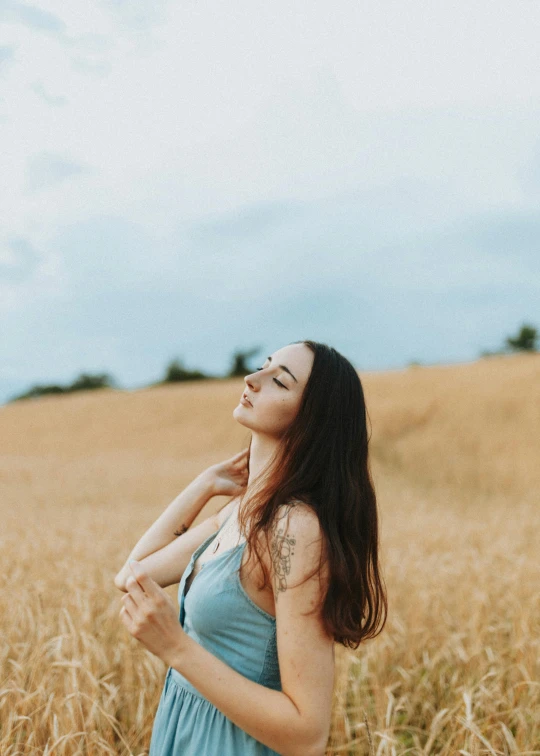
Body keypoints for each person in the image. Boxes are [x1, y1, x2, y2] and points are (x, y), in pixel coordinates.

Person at [114, 340, 387, 756]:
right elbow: (133, 575)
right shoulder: (238, 513)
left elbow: (307, 734)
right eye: (263, 366)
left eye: (278, 380)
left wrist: (176, 648)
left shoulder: (293, 529)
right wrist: (204, 485)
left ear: (311, 418)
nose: (252, 379)